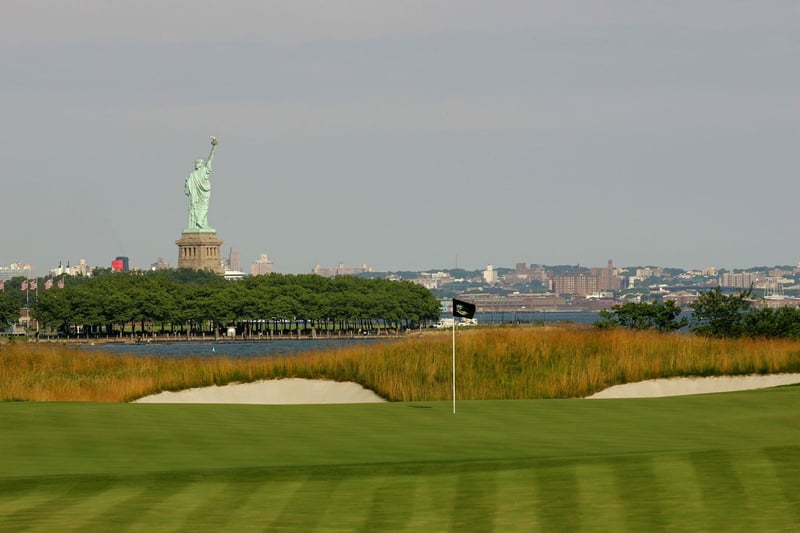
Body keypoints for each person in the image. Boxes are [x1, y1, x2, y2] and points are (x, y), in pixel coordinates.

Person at [184, 137, 218, 230]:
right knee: (202, 207)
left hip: (203, 193)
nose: (196, 164)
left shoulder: (198, 172)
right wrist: (187, 183)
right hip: (202, 193)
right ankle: (199, 222)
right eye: (195, 163)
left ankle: (201, 222)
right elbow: (188, 189)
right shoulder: (195, 174)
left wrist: (214, 146)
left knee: (201, 207)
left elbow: (211, 158)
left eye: (197, 163)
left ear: (201, 164)